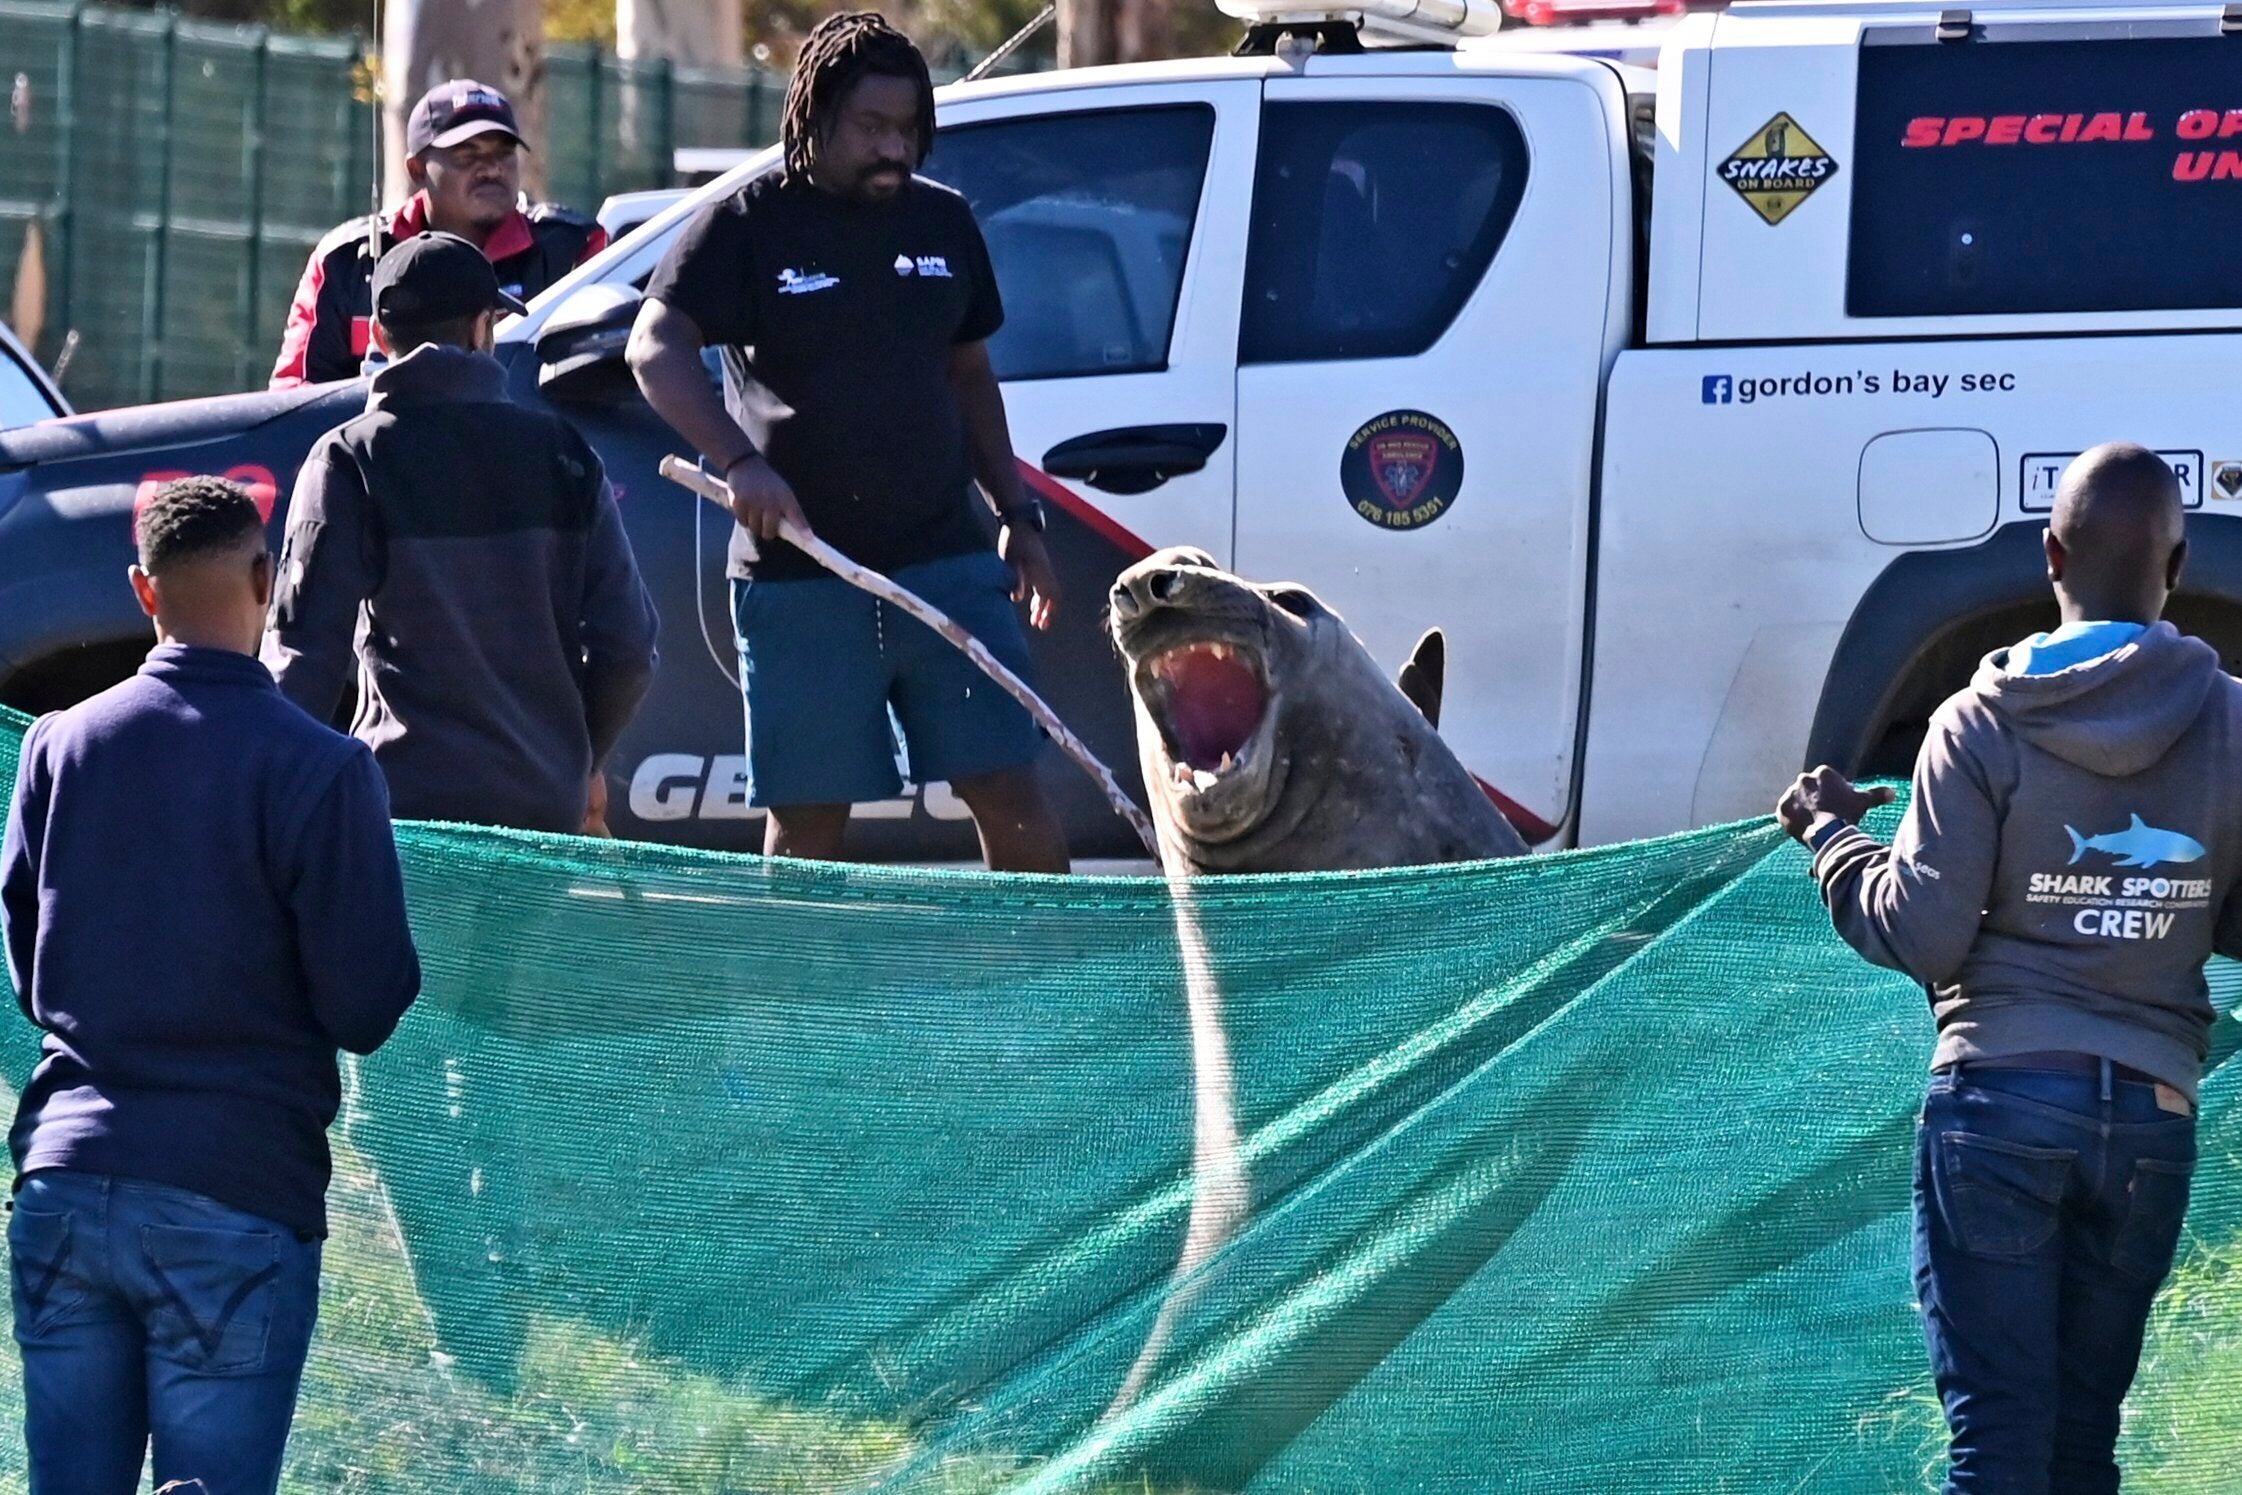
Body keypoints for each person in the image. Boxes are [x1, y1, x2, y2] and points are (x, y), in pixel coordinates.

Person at [1777, 442, 2242, 1493]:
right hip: (2151, 1123)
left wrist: (1831, 840)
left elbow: (1922, 931)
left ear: (2049, 555)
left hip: (1997, 1108)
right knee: (2081, 1449)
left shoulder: (1975, 721)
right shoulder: (2233, 721)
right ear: (2173, 567)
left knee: (1997, 1447)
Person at [2, 476, 422, 1493]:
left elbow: (28, 965)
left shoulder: (57, 743)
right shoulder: (322, 769)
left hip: (61, 1179)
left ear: (142, 592)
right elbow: (367, 1005)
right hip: (233, 1192)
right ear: (269, 581)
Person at [627, 10, 1069, 872]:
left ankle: (1046, 990)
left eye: (908, 129)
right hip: (803, 574)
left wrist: (1017, 515)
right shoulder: (746, 224)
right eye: (872, 127)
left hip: (948, 561)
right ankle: (800, 1007)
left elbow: (970, 375)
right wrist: (740, 462)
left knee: (1009, 790)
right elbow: (654, 348)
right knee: (809, 822)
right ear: (816, 116)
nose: (894, 149)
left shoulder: (942, 224)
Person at [263, 232, 658, 835]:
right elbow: (628, 647)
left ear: (377, 338)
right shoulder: (563, 454)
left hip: (405, 817)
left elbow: (302, 661)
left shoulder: (349, 459)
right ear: (482, 329)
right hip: (541, 816)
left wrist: (277, 812)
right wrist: (577, 760)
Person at [270, 79, 607, 388]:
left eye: (504, 154)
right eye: (468, 155)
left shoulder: (573, 250)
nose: (492, 169)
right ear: (417, 169)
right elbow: (294, 396)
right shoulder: (349, 260)